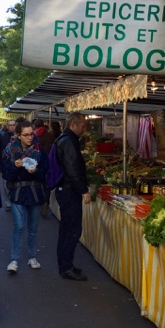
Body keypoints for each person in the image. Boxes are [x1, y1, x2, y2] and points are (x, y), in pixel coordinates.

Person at [1, 119, 48, 274]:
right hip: (18, 193)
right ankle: (14, 259)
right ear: (19, 135)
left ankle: (32, 257)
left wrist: (36, 172)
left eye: (31, 134)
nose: (30, 137)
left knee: (33, 228)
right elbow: (6, 174)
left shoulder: (39, 150)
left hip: (35, 193)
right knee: (19, 226)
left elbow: (46, 172)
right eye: (26, 135)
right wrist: (15, 167)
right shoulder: (10, 150)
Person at [53, 112, 91, 281]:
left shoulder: (65, 139)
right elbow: (73, 169)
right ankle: (66, 266)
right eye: (83, 126)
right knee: (73, 230)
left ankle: (65, 264)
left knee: (66, 229)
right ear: (74, 125)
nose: (85, 129)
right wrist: (84, 190)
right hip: (69, 191)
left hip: (65, 189)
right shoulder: (68, 142)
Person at [0, 119, 16, 211]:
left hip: (17, 164)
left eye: (13, 125)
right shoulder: (2, 136)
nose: (12, 126)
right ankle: (8, 203)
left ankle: (14, 201)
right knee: (5, 184)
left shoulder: (19, 136)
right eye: (10, 125)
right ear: (7, 126)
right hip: (6, 164)